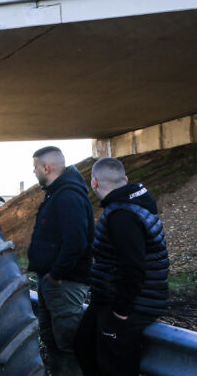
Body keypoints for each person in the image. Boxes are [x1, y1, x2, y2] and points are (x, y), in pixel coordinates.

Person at [74, 157, 169, 376]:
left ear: (94, 183)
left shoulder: (122, 215)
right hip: (111, 299)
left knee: (114, 368)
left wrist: (122, 310)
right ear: (125, 179)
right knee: (83, 344)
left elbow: (134, 266)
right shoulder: (129, 206)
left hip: (129, 304)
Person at [29, 145, 94, 376]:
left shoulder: (67, 195)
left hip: (64, 283)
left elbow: (76, 241)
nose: (34, 172)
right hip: (54, 281)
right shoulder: (58, 193)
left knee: (67, 344)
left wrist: (56, 274)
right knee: (53, 340)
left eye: (35, 167)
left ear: (46, 167)